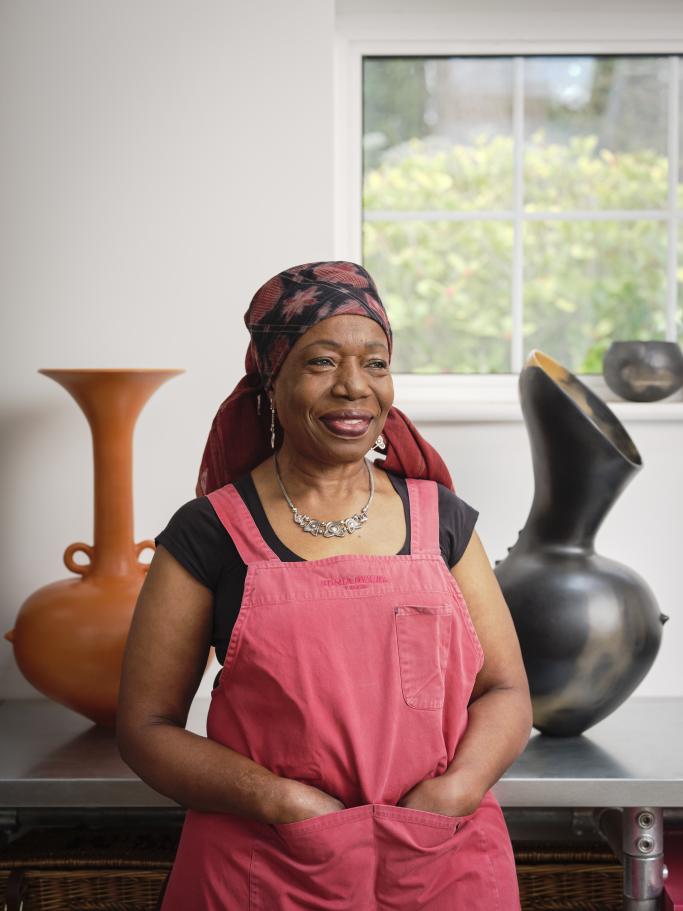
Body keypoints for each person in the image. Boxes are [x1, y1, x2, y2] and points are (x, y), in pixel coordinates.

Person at [117, 261, 533, 910]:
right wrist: (273, 797)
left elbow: (504, 688)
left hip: (439, 866)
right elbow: (146, 724)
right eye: (320, 362)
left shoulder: (441, 519)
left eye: (374, 362)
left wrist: (458, 787)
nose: (353, 387)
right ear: (270, 377)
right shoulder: (211, 532)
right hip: (265, 870)